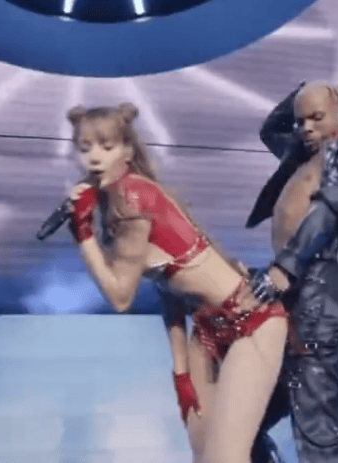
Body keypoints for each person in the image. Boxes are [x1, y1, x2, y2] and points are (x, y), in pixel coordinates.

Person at [66, 102, 289, 463]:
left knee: (226, 457)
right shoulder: (116, 203)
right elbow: (169, 291)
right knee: (202, 453)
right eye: (84, 148)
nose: (94, 158)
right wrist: (181, 372)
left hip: (251, 320)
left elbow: (120, 297)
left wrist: (83, 232)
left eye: (106, 147)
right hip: (207, 328)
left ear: (127, 150)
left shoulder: (132, 196)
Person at [245, 81, 338, 463]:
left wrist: (285, 268)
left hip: (316, 293)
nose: (306, 127)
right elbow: (270, 128)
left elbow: (332, 206)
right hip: (288, 295)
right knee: (243, 421)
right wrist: (306, 88)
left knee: (320, 437)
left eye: (316, 117)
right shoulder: (301, 152)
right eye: (301, 120)